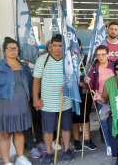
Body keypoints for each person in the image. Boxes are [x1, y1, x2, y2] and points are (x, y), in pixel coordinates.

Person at [0, 37, 33, 165]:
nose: (12, 51)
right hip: (3, 106)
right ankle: (7, 163)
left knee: (19, 131)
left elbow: (30, 84)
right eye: (9, 48)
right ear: (4, 51)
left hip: (21, 105)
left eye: (15, 48)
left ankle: (20, 158)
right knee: (5, 135)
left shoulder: (24, 66)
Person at [33, 34, 74, 164]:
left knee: (66, 128)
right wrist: (35, 98)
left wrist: (69, 88)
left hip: (65, 102)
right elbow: (36, 81)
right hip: (48, 103)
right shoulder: (42, 59)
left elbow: (74, 80)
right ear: (50, 46)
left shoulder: (69, 60)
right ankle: (49, 154)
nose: (57, 48)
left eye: (60, 46)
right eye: (54, 45)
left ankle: (67, 150)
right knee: (48, 130)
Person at [84, 45, 115, 156]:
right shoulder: (94, 69)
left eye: (103, 54)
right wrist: (87, 81)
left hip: (116, 99)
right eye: (98, 55)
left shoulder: (115, 65)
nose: (101, 57)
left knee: (117, 121)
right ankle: (109, 145)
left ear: (108, 54)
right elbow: (90, 87)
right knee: (104, 123)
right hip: (101, 100)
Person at [71, 39, 97, 152]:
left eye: (77, 46)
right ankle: (76, 141)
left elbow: (93, 75)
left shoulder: (88, 59)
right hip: (72, 93)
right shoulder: (67, 60)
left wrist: (87, 83)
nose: (75, 49)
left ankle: (87, 140)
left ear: (80, 47)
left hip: (85, 93)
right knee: (74, 118)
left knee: (85, 116)